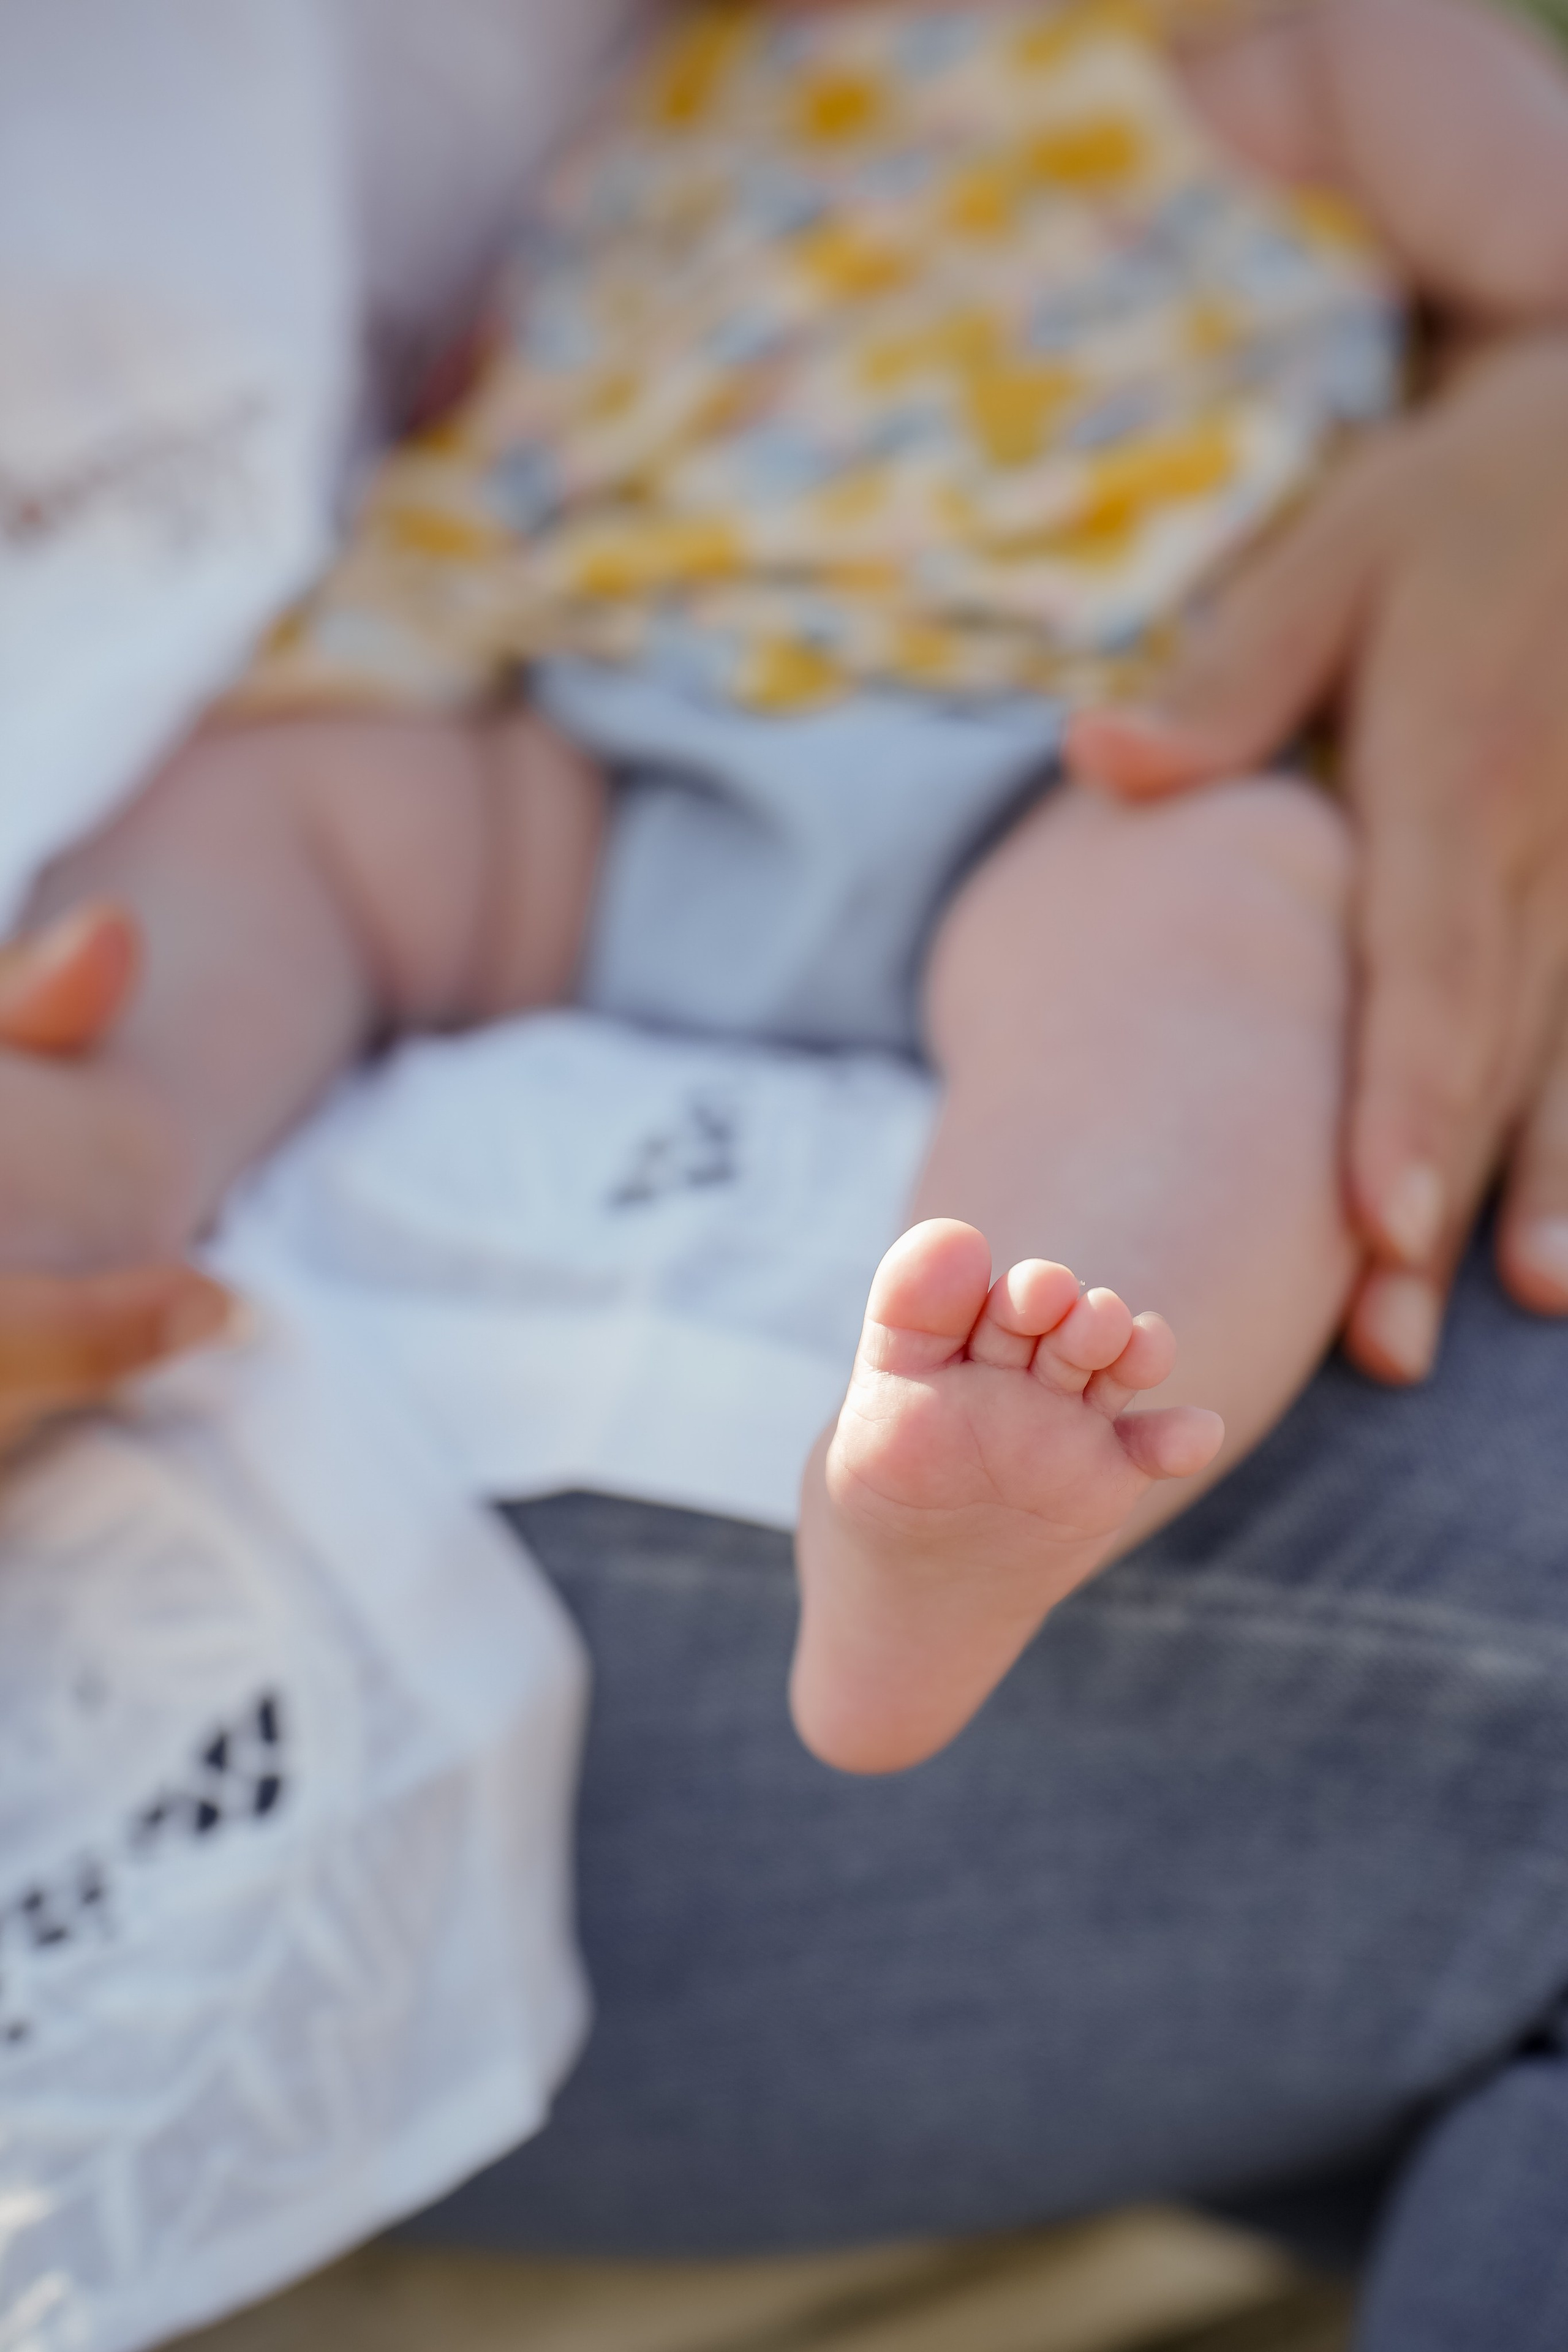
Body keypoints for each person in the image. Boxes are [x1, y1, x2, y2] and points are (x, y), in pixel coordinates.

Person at [6, 0, 1568, 1782]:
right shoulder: (667, 68)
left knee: (1231, 938)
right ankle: (88, 1147)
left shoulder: (1334, 50)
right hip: (583, 717)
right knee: (263, 817)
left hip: (1072, 745)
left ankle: (987, 1440)